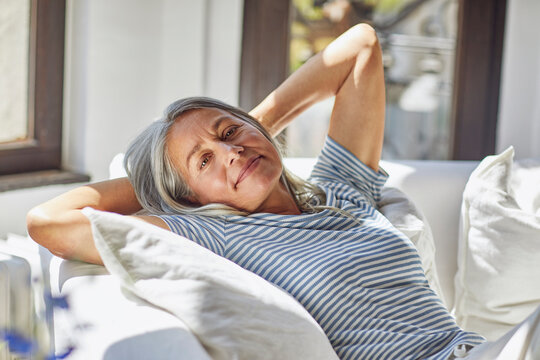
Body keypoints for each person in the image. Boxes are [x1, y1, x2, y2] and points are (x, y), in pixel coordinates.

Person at [27, 24, 539, 360]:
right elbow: (48, 222)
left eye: (229, 133)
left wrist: (253, 127)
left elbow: (360, 46)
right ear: (188, 195)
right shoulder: (208, 233)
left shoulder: (340, 190)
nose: (229, 153)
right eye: (204, 160)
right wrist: (160, 190)